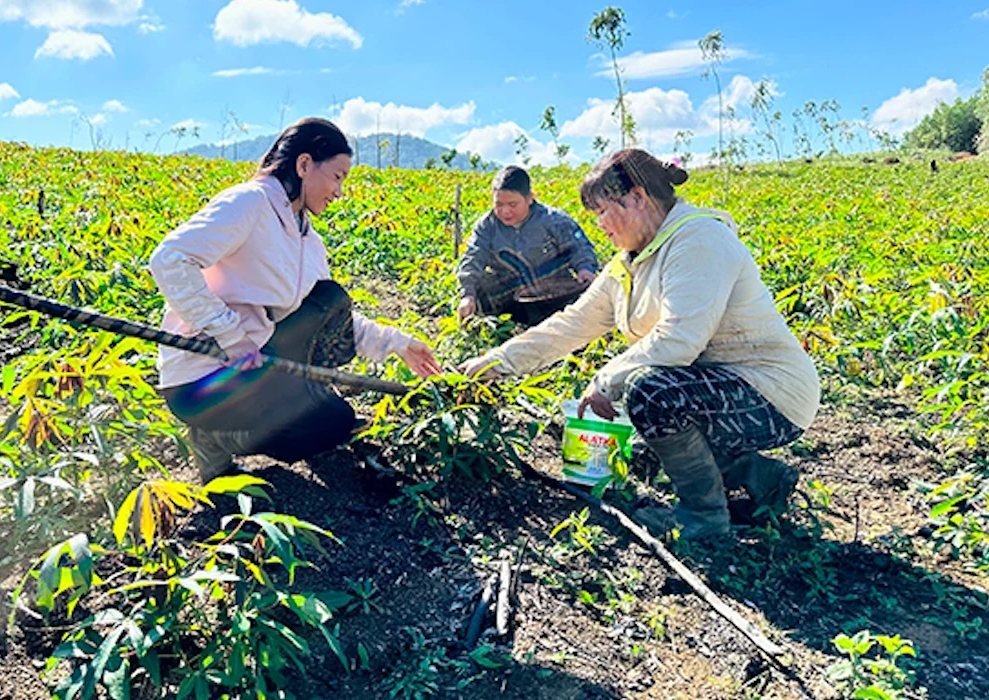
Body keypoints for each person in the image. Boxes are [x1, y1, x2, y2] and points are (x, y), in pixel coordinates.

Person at [461, 149, 820, 540]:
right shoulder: (630, 262)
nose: (598, 225)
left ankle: (704, 520)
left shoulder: (699, 239)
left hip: (770, 394)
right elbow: (572, 324)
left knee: (649, 394)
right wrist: (495, 362)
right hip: (713, 389)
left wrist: (605, 380)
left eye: (601, 211)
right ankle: (761, 479)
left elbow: (679, 339)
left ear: (637, 199)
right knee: (635, 447)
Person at [149, 118, 442, 481]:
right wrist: (229, 334)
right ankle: (214, 439)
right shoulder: (250, 202)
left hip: (253, 366)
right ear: (304, 165)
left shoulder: (306, 238)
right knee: (318, 426)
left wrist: (399, 343)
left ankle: (301, 401)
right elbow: (170, 259)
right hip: (204, 377)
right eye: (336, 177)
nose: (339, 192)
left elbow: (332, 316)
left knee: (336, 416)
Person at [456, 166, 599, 326]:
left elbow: (579, 246)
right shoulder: (487, 226)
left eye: (512, 204)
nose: (505, 211)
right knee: (480, 290)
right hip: (513, 299)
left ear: (530, 198)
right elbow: (473, 257)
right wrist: (468, 295)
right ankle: (505, 330)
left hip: (556, 297)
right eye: (499, 204)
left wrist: (585, 268)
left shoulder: (554, 221)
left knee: (588, 297)